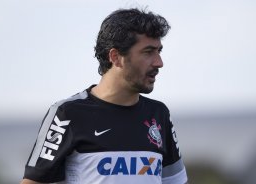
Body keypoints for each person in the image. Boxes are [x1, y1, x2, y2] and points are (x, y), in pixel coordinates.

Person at [21, 8, 188, 184]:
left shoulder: (159, 113)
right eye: (148, 52)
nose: (159, 62)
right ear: (115, 57)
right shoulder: (67, 114)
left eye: (159, 51)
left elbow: (176, 181)